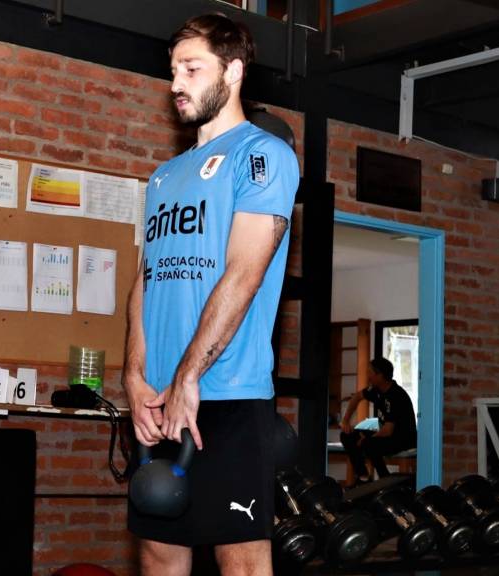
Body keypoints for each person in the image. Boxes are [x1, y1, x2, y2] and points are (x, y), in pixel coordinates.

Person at [122, 13, 299, 576]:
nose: (176, 83)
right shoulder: (162, 177)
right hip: (159, 401)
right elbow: (147, 279)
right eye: (173, 70)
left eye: (192, 69)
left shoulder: (263, 156)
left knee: (241, 562)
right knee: (158, 554)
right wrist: (135, 376)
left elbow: (244, 274)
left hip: (226, 394)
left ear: (234, 71)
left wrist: (188, 377)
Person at [339, 357, 417, 484]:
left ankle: (385, 480)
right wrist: (345, 421)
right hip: (386, 432)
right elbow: (357, 397)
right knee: (347, 436)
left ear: (380, 375)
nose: (368, 376)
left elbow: (388, 430)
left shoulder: (396, 395)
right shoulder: (376, 390)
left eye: (370, 372)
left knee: (369, 444)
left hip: (403, 438)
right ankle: (363, 476)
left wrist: (367, 438)